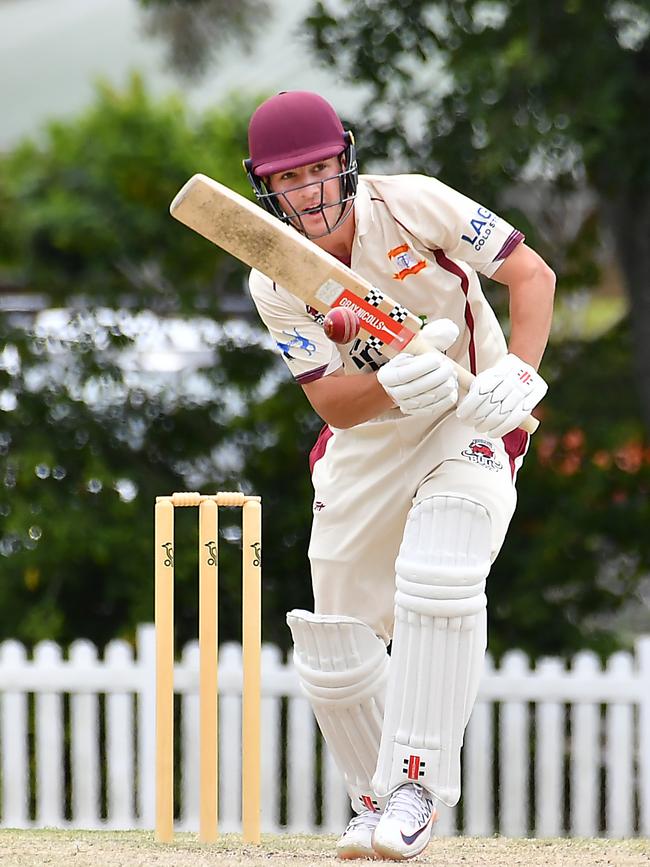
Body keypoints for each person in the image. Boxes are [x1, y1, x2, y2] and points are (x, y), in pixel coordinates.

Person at [243, 90, 555, 861]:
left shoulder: (414, 204)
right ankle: (373, 798)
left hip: (470, 417)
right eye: (289, 180)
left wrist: (519, 370)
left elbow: (533, 274)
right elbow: (335, 405)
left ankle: (415, 785)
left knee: (441, 569)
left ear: (344, 161)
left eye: (318, 171)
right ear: (266, 187)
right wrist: (392, 385)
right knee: (333, 640)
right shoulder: (275, 278)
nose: (308, 193)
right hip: (371, 441)